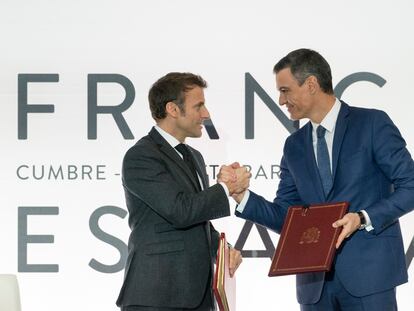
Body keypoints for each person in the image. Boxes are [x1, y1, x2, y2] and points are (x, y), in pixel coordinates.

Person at [227, 49, 414, 310]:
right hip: (314, 287)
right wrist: (242, 196)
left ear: (312, 84)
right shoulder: (293, 146)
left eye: (285, 90)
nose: (281, 100)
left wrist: (362, 218)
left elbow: (410, 186)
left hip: (370, 278)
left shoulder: (372, 123)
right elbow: (287, 217)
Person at [116, 72, 249, 311]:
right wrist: (226, 188)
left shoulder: (194, 156)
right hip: (156, 297)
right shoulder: (141, 156)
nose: (206, 114)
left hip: (197, 297)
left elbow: (198, 221)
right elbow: (180, 211)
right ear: (172, 109)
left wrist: (223, 251)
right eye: (198, 106)